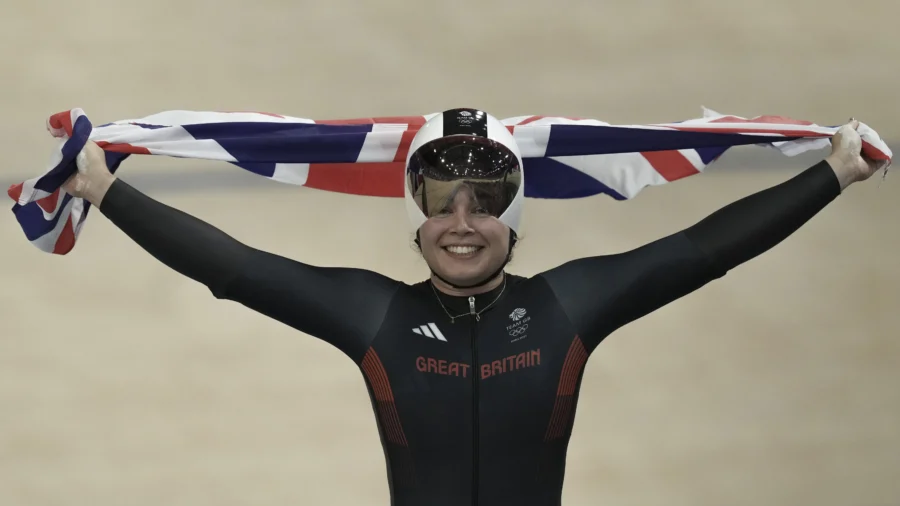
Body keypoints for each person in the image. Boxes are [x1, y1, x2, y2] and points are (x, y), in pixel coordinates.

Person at [64, 108, 882, 506]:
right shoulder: (370, 313)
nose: (461, 224)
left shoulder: (571, 305)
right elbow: (236, 269)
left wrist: (832, 173)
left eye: (484, 201)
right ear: (416, 216)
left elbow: (707, 250)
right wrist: (105, 189)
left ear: (514, 216)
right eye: (442, 203)